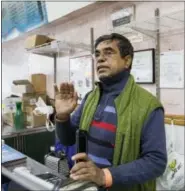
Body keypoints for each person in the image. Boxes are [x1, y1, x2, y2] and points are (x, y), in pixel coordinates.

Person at [55, 33, 167, 191]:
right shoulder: (90, 98)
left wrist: (103, 176)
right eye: (97, 54)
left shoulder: (148, 105)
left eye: (108, 52)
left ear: (127, 60)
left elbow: (156, 162)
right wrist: (62, 116)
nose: (100, 59)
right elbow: (67, 140)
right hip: (88, 185)